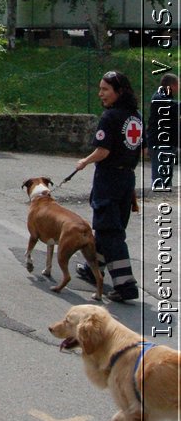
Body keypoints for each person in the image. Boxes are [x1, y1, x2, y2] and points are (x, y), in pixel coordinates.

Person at [74, 70, 143, 303]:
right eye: (100, 88)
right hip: (127, 180)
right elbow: (141, 150)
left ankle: (126, 286)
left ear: (119, 92)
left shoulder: (110, 117)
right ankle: (92, 270)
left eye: (105, 89)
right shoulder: (136, 117)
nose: (100, 93)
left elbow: (103, 151)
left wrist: (84, 161)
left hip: (109, 181)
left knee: (110, 232)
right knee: (108, 227)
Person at [147, 72, 179, 192]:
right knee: (161, 179)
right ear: (172, 86)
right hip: (160, 144)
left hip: (167, 144)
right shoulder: (159, 98)